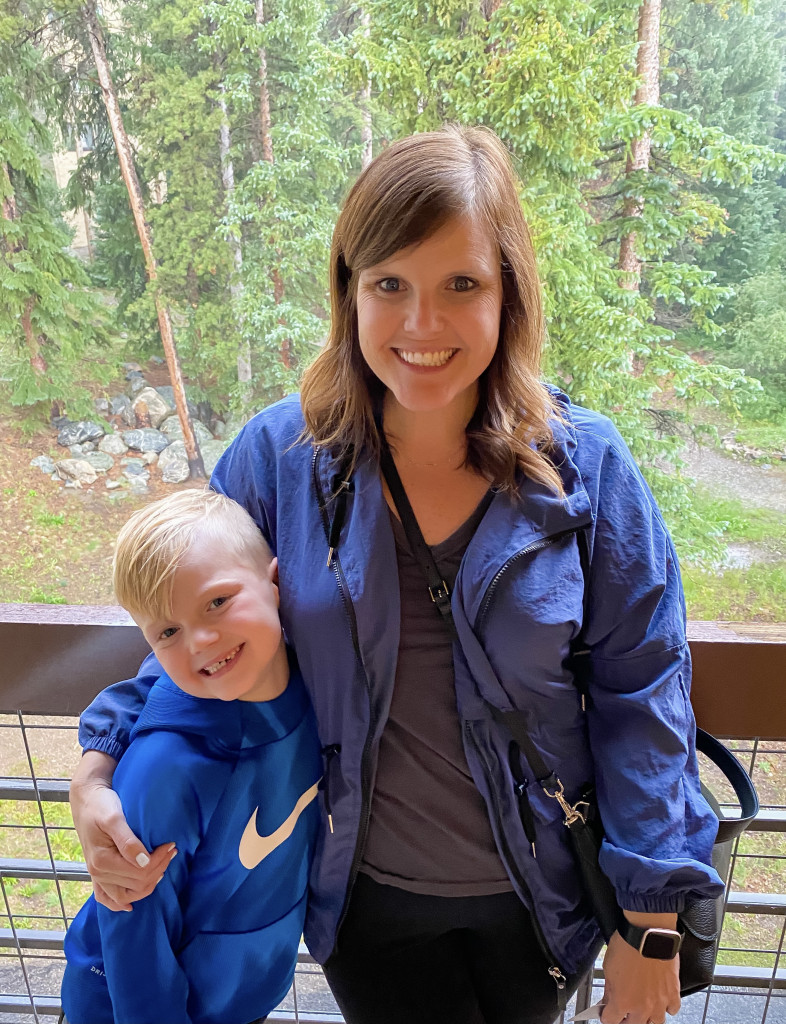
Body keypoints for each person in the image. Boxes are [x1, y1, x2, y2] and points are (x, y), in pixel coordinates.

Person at [69, 124, 724, 1024]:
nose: (422, 325)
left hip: (544, 900)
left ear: (509, 294)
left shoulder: (589, 471)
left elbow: (643, 691)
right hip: (362, 902)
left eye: (462, 284)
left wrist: (649, 920)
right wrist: (94, 770)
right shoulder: (277, 458)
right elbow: (191, 630)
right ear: (349, 293)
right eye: (389, 285)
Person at [61, 489, 322, 1024]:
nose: (201, 641)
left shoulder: (318, 677)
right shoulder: (169, 767)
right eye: (168, 631)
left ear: (274, 583)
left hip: (233, 996)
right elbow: (133, 923)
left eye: (217, 602)